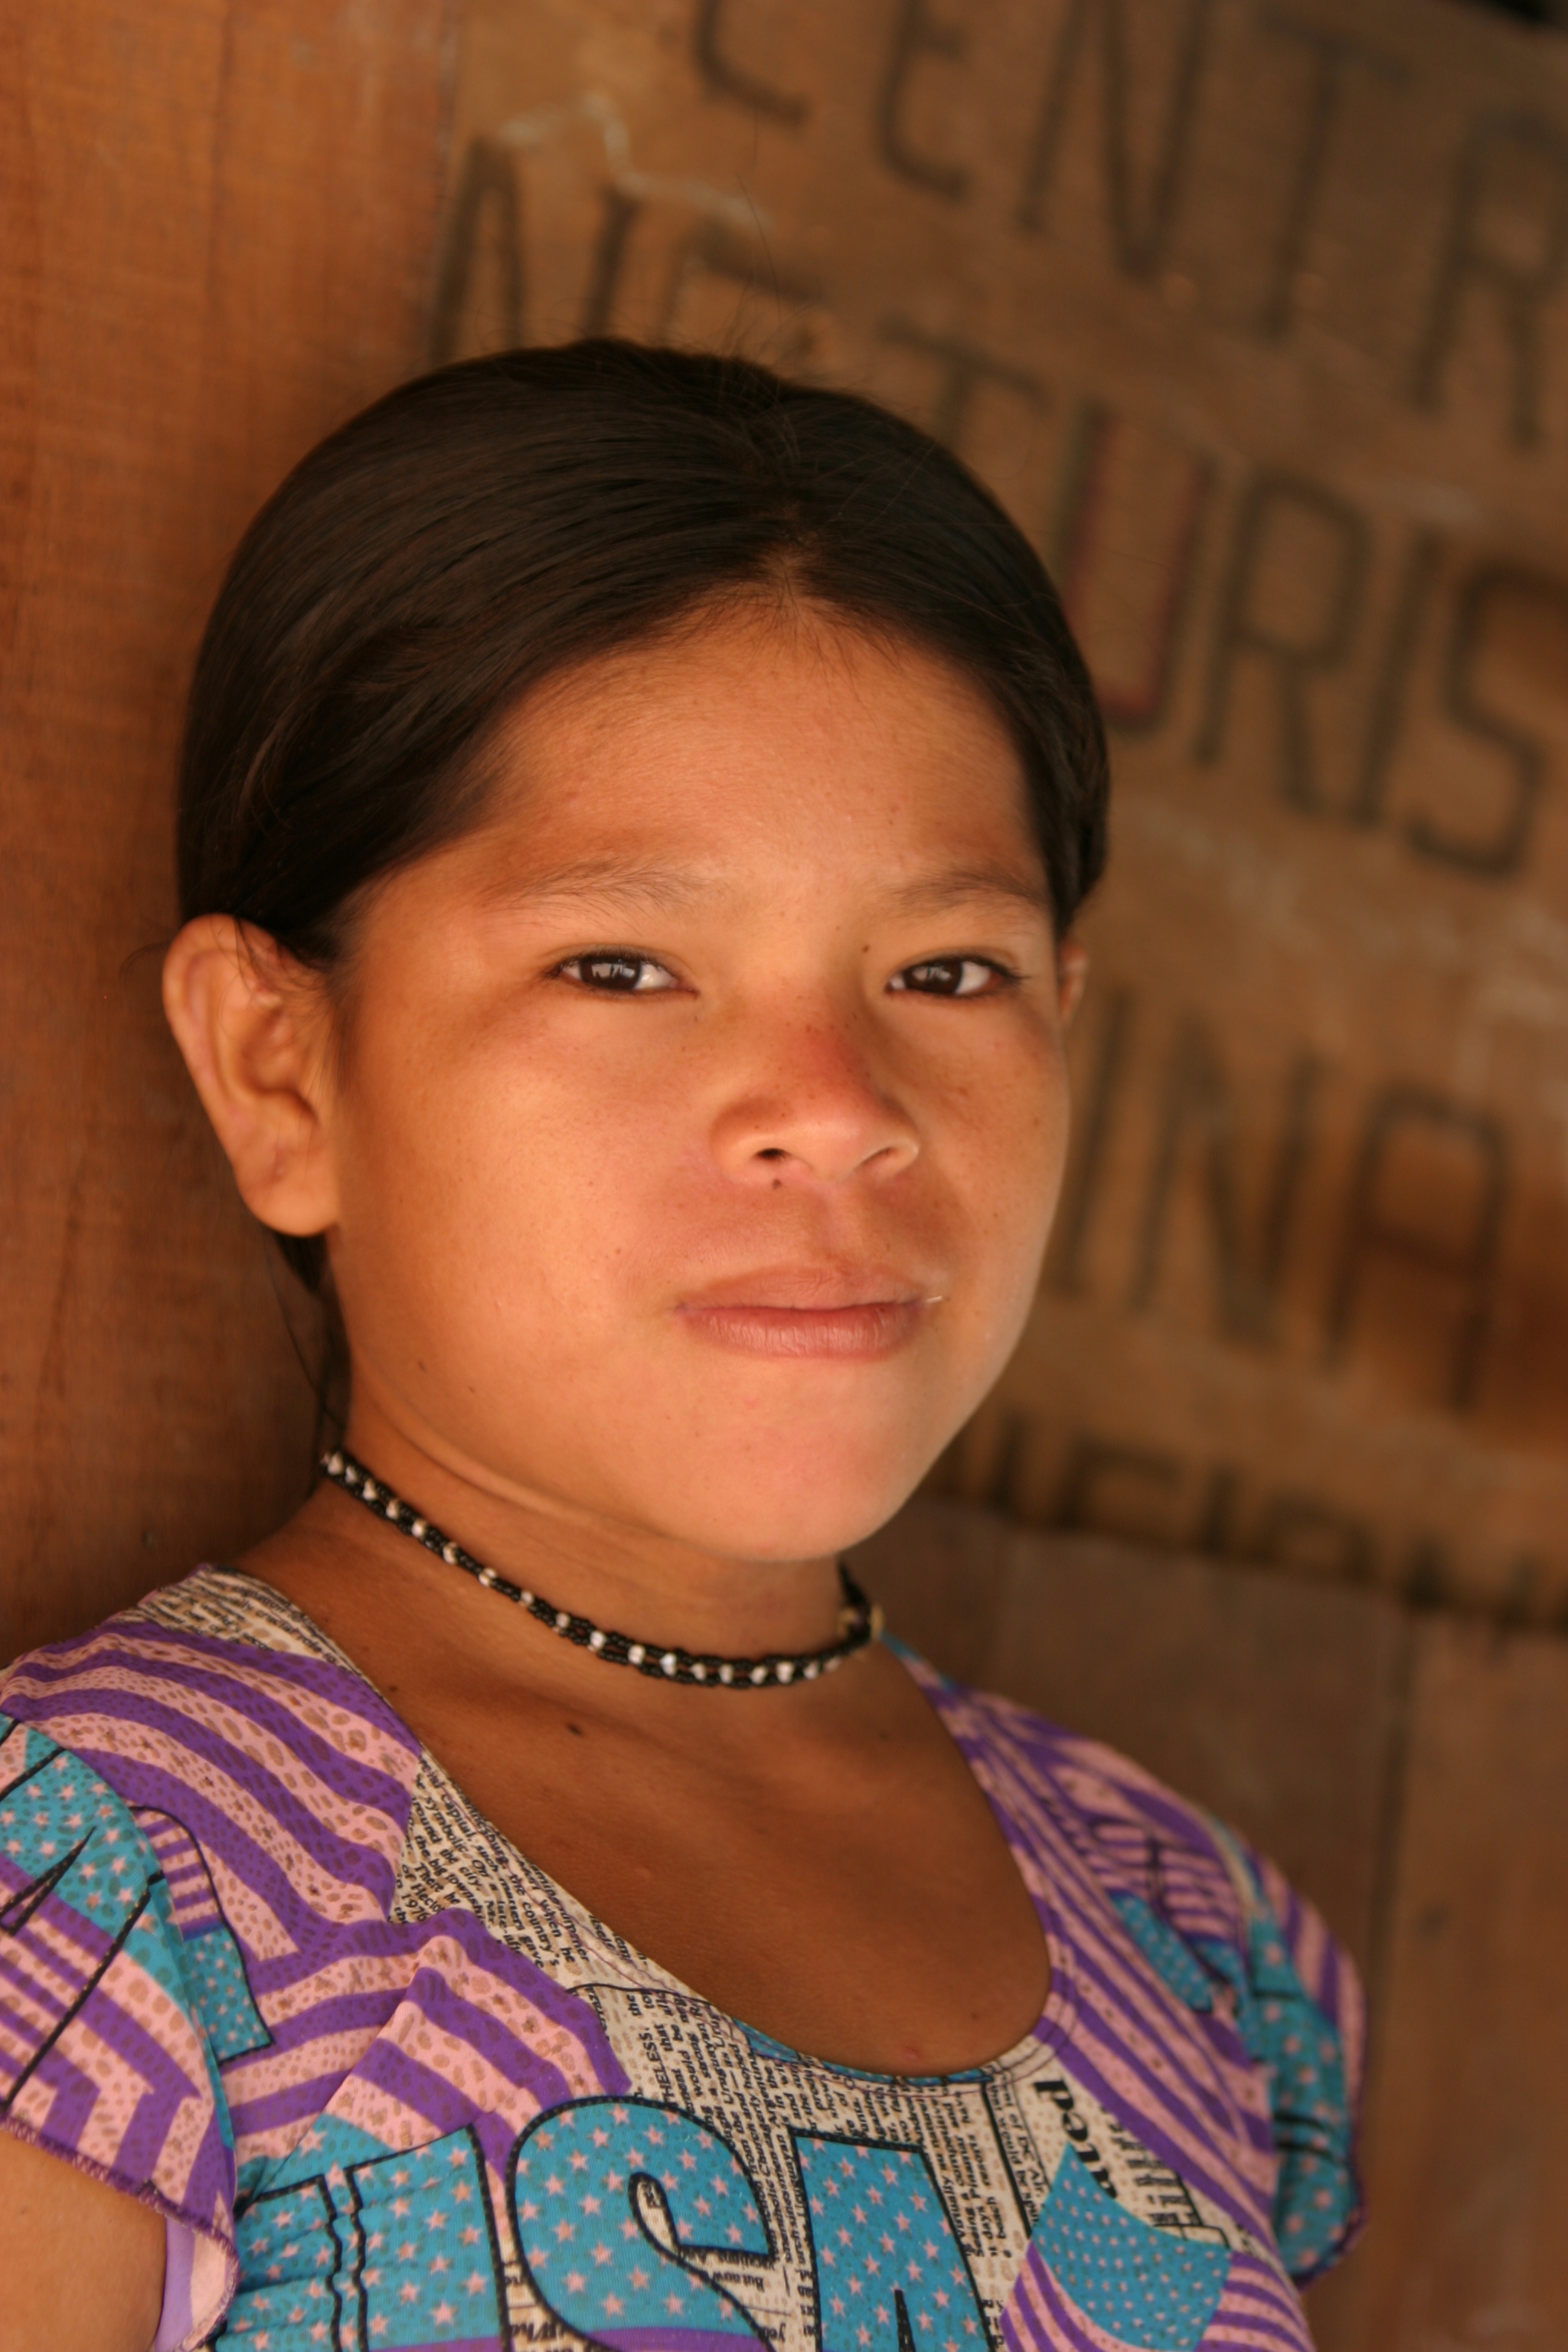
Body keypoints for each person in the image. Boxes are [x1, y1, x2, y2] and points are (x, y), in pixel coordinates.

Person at [0, 343, 1361, 2352]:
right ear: (281, 1067)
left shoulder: (1202, 1942)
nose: (832, 1105)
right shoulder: (108, 1892)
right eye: (621, 965)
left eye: (947, 969)